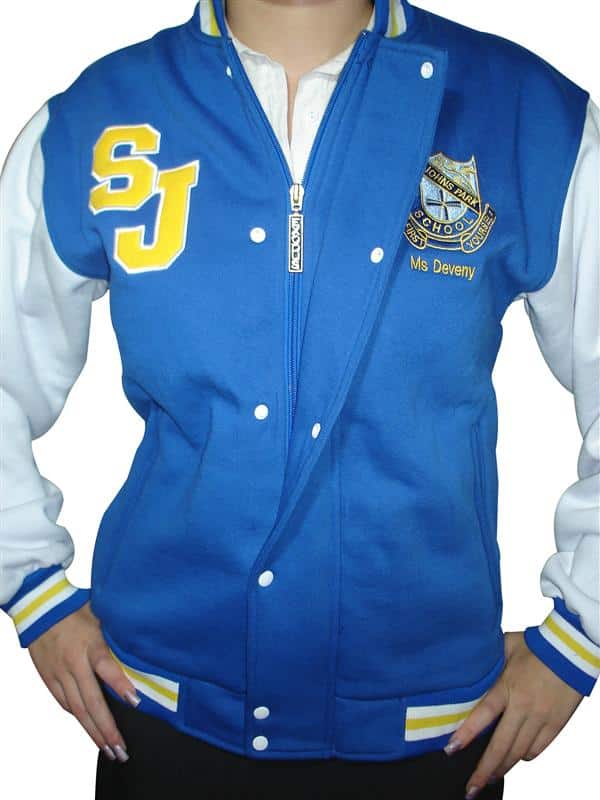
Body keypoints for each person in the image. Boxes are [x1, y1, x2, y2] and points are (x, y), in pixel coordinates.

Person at [1, 1, 598, 798]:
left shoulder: (525, 115)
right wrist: (30, 585)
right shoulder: (96, 120)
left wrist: (580, 632)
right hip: (163, 708)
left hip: (427, 727)